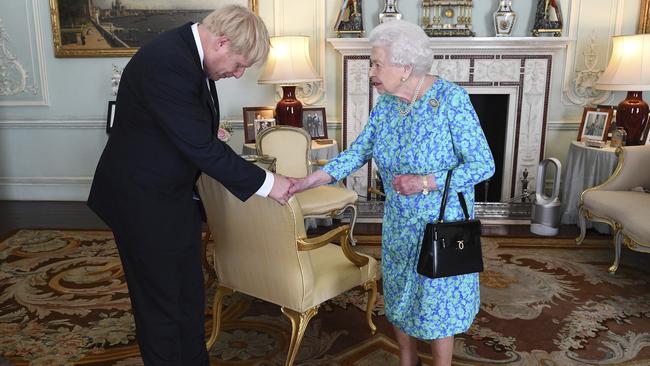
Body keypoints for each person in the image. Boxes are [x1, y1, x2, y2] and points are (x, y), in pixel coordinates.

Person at [87, 5, 291, 365]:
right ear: (222, 42)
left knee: (188, 294)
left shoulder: (188, 55)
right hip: (141, 201)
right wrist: (269, 184)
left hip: (172, 195)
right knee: (161, 305)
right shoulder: (167, 61)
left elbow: (197, 135)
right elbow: (200, 146)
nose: (238, 73)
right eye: (240, 64)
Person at [289, 20, 495, 366]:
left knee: (436, 299)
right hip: (400, 221)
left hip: (442, 223)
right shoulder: (387, 104)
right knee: (400, 293)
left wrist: (424, 181)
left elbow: (483, 165)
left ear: (405, 67)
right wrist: (310, 180)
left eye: (377, 64)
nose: (372, 71)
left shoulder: (450, 100)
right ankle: (406, 359)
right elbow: (358, 152)